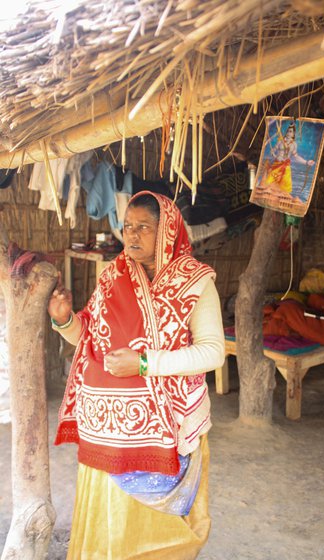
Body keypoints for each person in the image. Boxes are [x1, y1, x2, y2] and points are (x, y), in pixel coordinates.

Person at [48, 190, 225, 560]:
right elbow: (91, 338)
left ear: (168, 230)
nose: (131, 235)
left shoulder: (196, 281)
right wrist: (65, 320)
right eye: (128, 226)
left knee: (155, 536)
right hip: (108, 432)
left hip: (170, 431)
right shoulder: (114, 275)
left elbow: (212, 353)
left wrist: (144, 364)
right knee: (111, 527)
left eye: (144, 227)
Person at [257, 123, 315, 199]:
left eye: (291, 131)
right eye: (288, 131)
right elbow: (273, 151)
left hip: (286, 166)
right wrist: (273, 153)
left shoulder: (294, 144)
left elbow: (296, 156)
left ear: (293, 134)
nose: (288, 133)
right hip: (277, 164)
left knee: (285, 188)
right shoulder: (280, 142)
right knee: (268, 182)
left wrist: (306, 162)